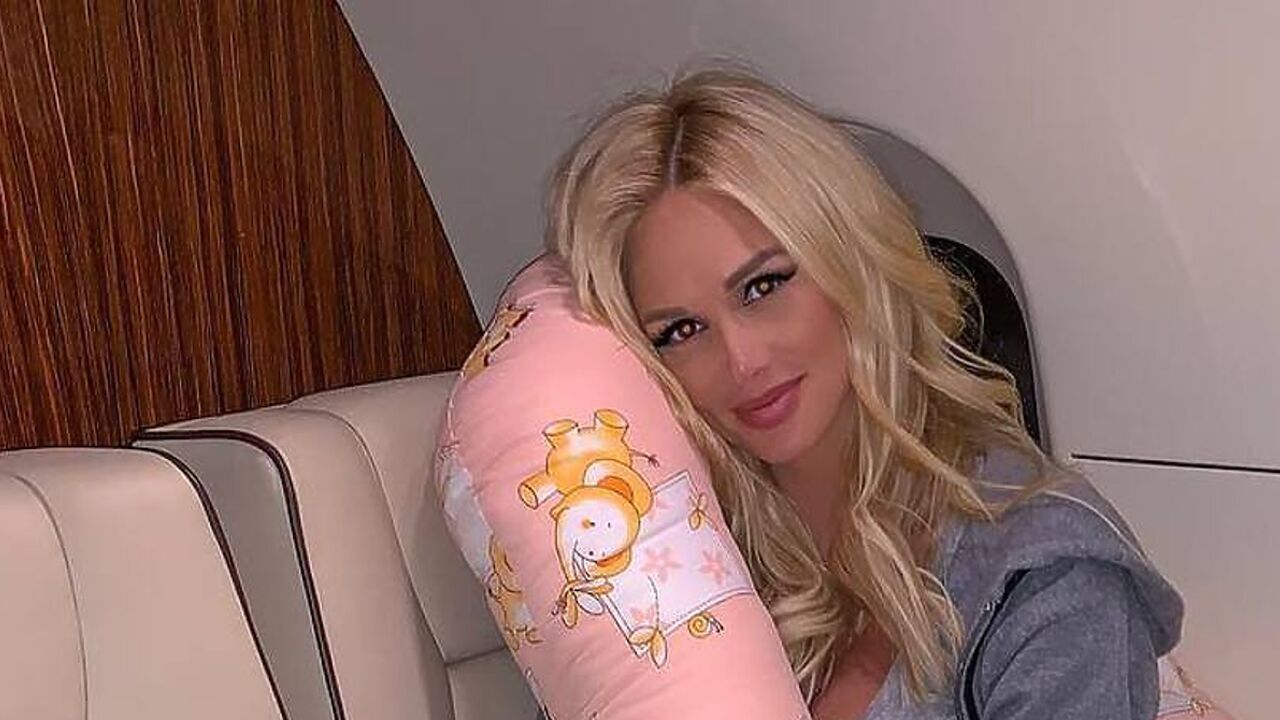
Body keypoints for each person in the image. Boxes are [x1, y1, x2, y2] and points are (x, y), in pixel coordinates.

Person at [544, 67, 1183, 719]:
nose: (741, 360)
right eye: (681, 331)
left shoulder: (1048, 581)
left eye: (763, 287)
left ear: (849, 263)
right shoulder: (667, 573)